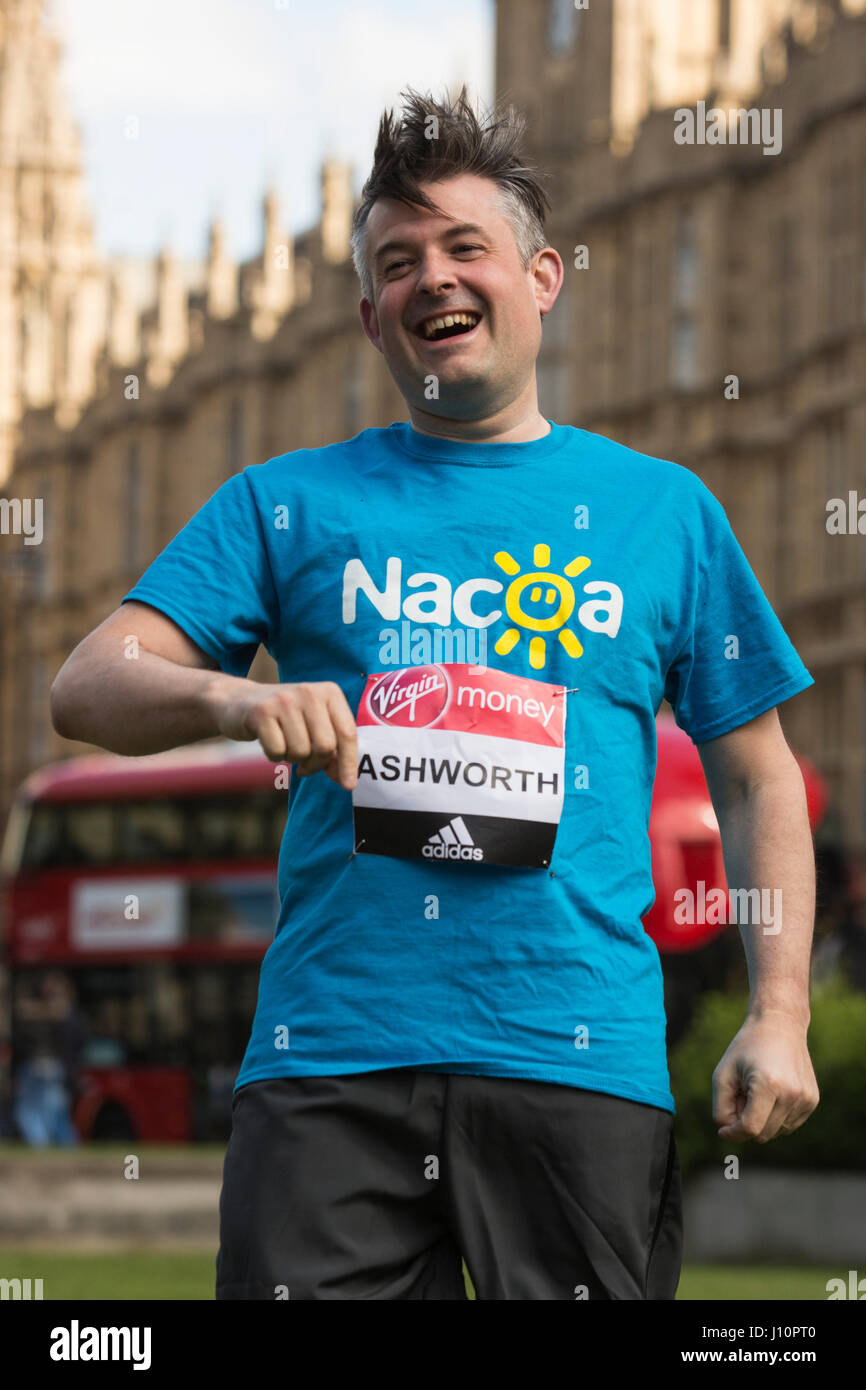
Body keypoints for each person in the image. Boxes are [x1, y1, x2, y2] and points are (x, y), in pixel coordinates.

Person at [50, 86, 820, 1300]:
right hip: (329, 1065)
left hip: (577, 1061)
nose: (433, 278)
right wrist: (236, 703)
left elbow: (754, 770)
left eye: (466, 246)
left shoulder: (662, 510)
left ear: (542, 277)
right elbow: (90, 683)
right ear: (369, 316)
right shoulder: (282, 500)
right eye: (398, 261)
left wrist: (780, 1008)